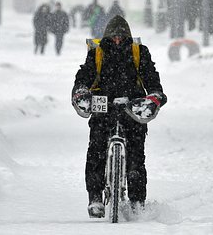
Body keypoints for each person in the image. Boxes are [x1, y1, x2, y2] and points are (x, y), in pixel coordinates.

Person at [71, 15, 167, 218]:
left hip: (132, 108)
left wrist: (155, 95)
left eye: (121, 37)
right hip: (102, 107)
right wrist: (80, 90)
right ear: (107, 37)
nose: (117, 41)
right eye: (113, 37)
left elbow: (151, 77)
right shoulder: (96, 54)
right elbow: (85, 75)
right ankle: (95, 197)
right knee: (96, 150)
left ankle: (137, 202)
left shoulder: (139, 53)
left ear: (127, 37)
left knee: (136, 157)